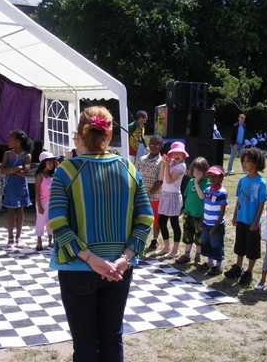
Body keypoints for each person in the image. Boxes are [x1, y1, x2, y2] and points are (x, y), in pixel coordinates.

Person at [49, 106, 153, 362]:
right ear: (108, 136)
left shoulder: (66, 170)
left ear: (80, 135)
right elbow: (145, 219)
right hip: (119, 270)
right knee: (112, 338)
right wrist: (125, 258)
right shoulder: (128, 168)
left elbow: (57, 223)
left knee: (84, 343)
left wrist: (91, 259)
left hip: (77, 269)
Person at [224, 147, 267, 286]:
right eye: (243, 160)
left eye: (247, 161)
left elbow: (261, 203)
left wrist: (256, 221)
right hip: (242, 219)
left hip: (252, 221)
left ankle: (248, 271)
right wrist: (235, 215)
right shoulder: (242, 180)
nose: (244, 163)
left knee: (252, 248)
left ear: (256, 162)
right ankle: (238, 267)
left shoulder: (261, 182)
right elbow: (239, 199)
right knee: (240, 244)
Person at [1, 129, 33, 248]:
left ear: (18, 142)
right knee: (10, 211)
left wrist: (15, 170)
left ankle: (18, 237)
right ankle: (10, 238)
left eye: (11, 139)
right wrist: (15, 170)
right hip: (10, 185)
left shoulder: (27, 155)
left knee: (20, 210)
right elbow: (3, 170)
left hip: (21, 186)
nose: (8, 141)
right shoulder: (7, 154)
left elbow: (26, 172)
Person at [156, 141, 188, 257]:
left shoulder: (182, 166)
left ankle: (175, 250)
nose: (176, 155)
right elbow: (161, 178)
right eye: (174, 153)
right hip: (165, 195)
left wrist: (166, 165)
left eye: (179, 153)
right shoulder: (170, 163)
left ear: (184, 155)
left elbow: (169, 180)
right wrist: (164, 165)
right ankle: (166, 247)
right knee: (162, 222)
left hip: (174, 196)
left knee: (174, 223)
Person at [176, 157, 209, 265]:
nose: (197, 172)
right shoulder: (190, 181)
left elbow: (201, 196)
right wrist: (184, 210)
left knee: (199, 237)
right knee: (188, 235)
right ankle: (186, 255)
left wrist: (197, 183)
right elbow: (187, 196)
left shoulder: (206, 183)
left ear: (205, 171)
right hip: (189, 214)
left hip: (199, 216)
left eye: (200, 170)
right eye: (195, 170)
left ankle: (198, 256)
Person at [198, 166, 228, 275]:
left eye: (215, 177)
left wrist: (216, 226)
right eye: (210, 177)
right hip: (206, 223)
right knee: (206, 242)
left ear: (221, 178)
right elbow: (205, 206)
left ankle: (218, 266)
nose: (212, 179)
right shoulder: (207, 190)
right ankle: (209, 263)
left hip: (216, 225)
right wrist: (202, 220)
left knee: (216, 244)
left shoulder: (222, 193)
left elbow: (222, 211)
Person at [136, 136, 163, 252]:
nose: (153, 146)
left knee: (156, 220)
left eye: (157, 144)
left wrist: (148, 194)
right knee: (140, 219)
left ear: (161, 146)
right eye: (151, 143)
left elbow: (160, 181)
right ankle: (139, 239)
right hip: (140, 195)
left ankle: (154, 239)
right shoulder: (141, 159)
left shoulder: (162, 162)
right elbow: (136, 175)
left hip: (155, 196)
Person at [34, 151, 56, 251]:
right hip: (42, 202)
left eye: (52, 162)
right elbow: (37, 192)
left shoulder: (54, 174)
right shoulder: (40, 175)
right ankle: (39, 240)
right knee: (41, 221)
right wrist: (39, 205)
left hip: (52, 202)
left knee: (51, 221)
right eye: (49, 163)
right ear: (43, 163)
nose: (51, 165)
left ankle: (50, 240)